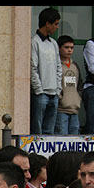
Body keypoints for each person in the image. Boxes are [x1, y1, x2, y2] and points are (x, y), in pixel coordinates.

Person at [30, 7, 62, 135]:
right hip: (41, 93)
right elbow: (33, 67)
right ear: (47, 24)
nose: (57, 27)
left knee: (50, 130)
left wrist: (58, 89)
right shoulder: (35, 42)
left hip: (54, 92)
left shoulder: (53, 43)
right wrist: (39, 90)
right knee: (37, 128)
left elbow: (58, 67)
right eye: (55, 24)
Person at [54, 35, 83, 135]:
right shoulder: (56, 64)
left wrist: (78, 98)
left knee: (74, 137)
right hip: (61, 109)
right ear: (59, 48)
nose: (69, 50)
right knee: (62, 136)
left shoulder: (75, 65)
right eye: (66, 47)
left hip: (74, 108)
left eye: (71, 48)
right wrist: (60, 98)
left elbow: (80, 84)